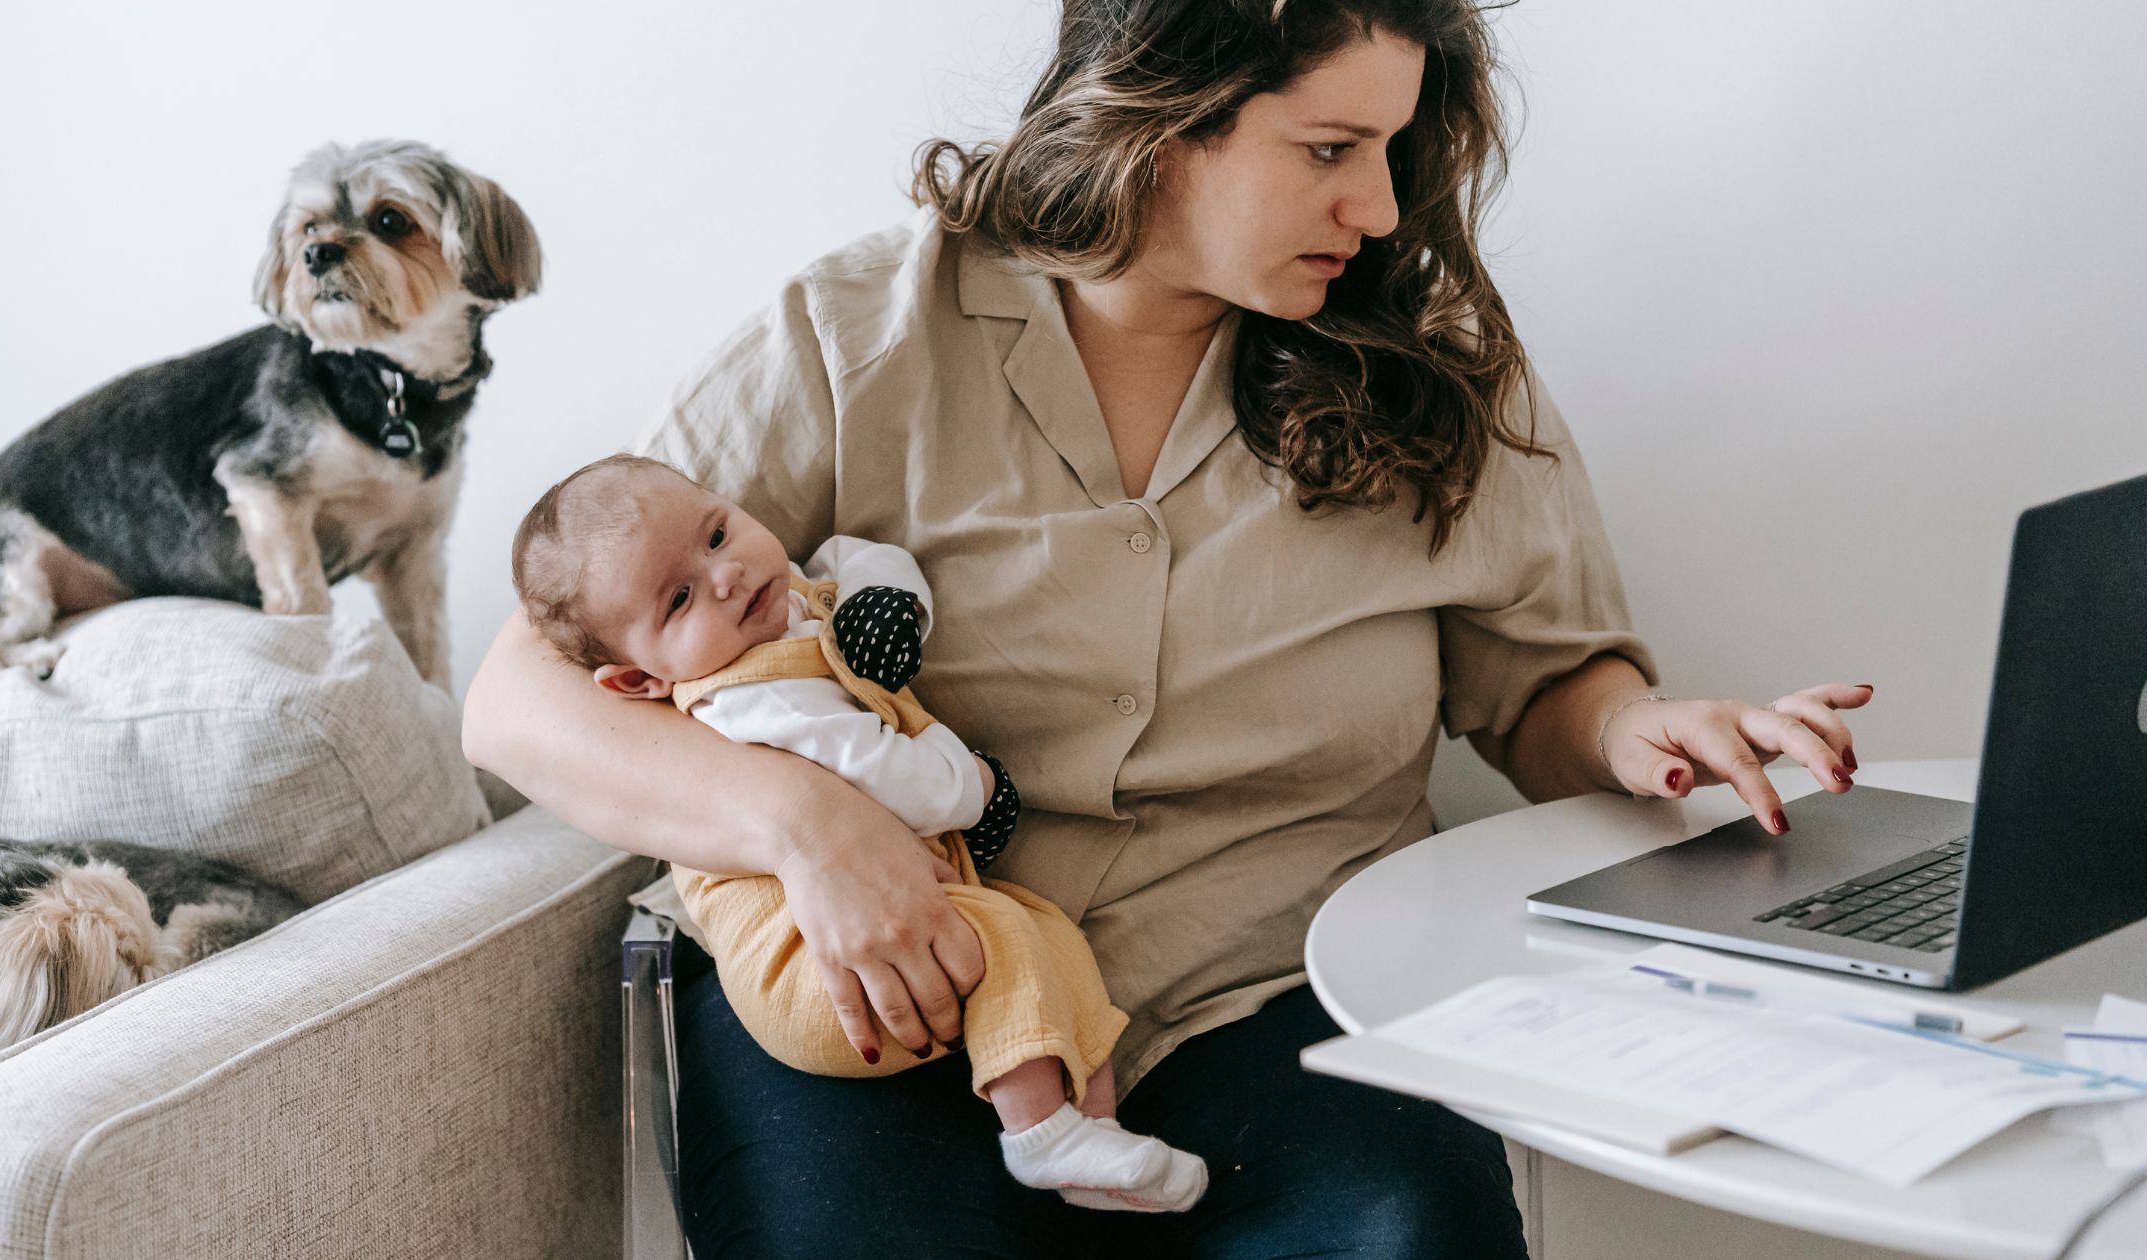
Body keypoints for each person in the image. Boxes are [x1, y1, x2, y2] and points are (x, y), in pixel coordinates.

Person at [464, 1, 1870, 1253]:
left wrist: (1640, 732)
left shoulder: (1426, 363)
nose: (1379, 209)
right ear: (1163, 113)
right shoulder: (858, 332)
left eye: (1391, 151)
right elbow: (520, 703)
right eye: (1329, 150)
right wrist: (803, 825)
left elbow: (1544, 691)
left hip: (1278, 993)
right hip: (887, 999)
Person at [507, 453, 1209, 1211]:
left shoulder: (789, 602)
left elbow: (854, 555)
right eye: (679, 598)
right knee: (1005, 939)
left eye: (717, 534)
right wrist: (976, 787)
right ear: (640, 681)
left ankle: (1091, 1136)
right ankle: (1037, 1131)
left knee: (1050, 936)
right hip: (813, 972)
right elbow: (889, 775)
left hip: (891, 920)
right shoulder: (745, 700)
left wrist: (887, 601)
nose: (727, 577)